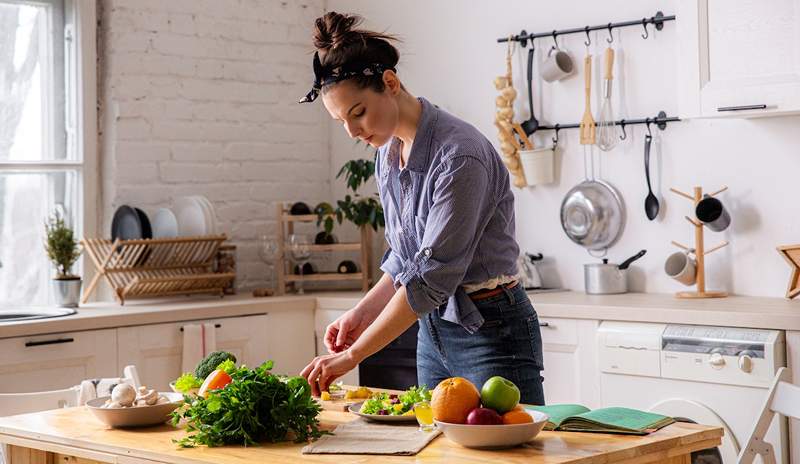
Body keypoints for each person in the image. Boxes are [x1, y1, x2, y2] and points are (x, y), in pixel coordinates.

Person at [298, 11, 545, 405]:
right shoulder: (388, 152)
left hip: (492, 329)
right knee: (435, 449)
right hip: (433, 329)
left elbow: (431, 277)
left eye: (358, 112)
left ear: (390, 83)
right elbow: (406, 257)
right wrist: (360, 315)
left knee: (509, 453)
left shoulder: (460, 156)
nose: (353, 131)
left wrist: (352, 355)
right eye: (341, 121)